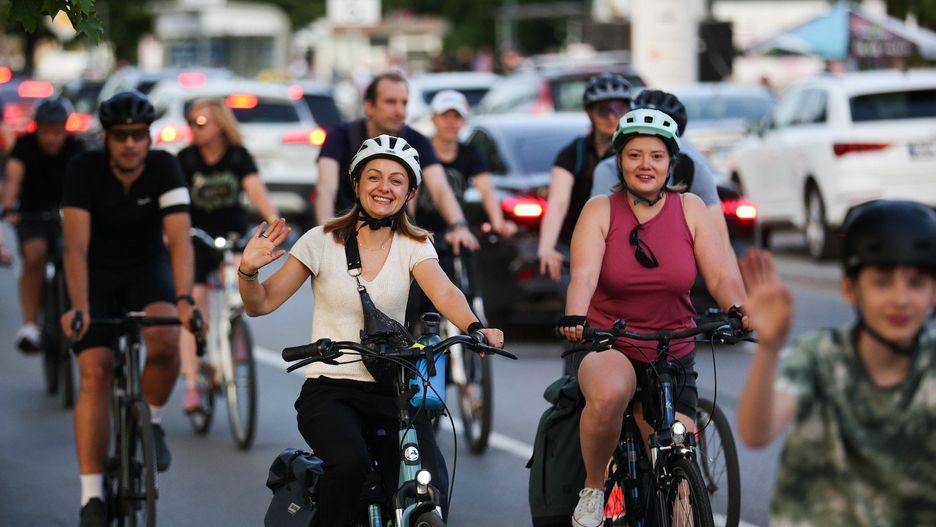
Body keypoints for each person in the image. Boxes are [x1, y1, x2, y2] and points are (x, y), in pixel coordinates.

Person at [239, 135, 505, 526]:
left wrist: (475, 327)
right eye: (374, 177)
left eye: (397, 180)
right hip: (331, 389)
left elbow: (445, 291)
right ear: (357, 183)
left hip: (392, 389)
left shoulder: (415, 244)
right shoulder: (321, 241)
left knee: (430, 481)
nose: (385, 187)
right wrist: (248, 271)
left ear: (410, 192)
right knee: (349, 465)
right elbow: (259, 303)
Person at [556, 108, 748, 527]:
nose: (645, 165)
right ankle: (593, 489)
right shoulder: (600, 210)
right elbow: (584, 274)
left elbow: (720, 275)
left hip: (672, 349)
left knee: (676, 462)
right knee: (610, 394)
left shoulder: (690, 208)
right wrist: (576, 315)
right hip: (611, 342)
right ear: (620, 161)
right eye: (635, 155)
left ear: (670, 163)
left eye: (656, 156)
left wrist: (740, 310)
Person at [737, 201, 936, 526]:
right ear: (850, 289)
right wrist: (769, 349)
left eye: (916, 283)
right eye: (882, 281)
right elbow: (756, 432)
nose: (900, 298)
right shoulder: (821, 356)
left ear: (933, 292)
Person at [59, 91, 202, 527]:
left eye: (138, 134)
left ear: (149, 136)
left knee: (166, 338)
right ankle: (91, 496)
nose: (130, 144)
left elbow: (179, 240)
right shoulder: (83, 168)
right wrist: (79, 307)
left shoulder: (164, 166)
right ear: (107, 137)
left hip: (145, 268)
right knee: (95, 372)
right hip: (94, 274)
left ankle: (152, 420)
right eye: (120, 135)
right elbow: (75, 246)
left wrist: (184, 300)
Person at [176, 98, 278, 413]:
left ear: (220, 124)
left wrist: (273, 221)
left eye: (200, 122)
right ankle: (192, 386)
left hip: (232, 236)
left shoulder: (237, 156)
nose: (193, 128)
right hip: (197, 238)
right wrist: (172, 233)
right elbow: (175, 202)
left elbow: (255, 189)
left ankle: (233, 335)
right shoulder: (186, 158)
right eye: (190, 122)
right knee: (194, 308)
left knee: (239, 284)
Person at [315, 71, 479, 255]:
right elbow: (326, 188)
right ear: (369, 106)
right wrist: (326, 234)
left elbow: (440, 187)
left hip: (396, 241)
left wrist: (459, 226)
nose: (399, 110)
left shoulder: (417, 140)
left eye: (404, 103)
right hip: (346, 236)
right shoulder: (340, 136)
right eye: (390, 102)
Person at [407, 90, 516, 326]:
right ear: (433, 119)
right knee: (417, 293)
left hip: (455, 226)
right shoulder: (421, 150)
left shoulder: (470, 153)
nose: (450, 122)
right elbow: (410, 194)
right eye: (445, 116)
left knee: (467, 272)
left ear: (464, 121)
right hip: (423, 229)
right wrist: (410, 227)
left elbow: (486, 189)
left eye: (456, 117)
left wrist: (498, 222)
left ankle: (470, 320)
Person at [3, 97, 85, 351]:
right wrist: (10, 207)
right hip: (32, 214)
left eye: (57, 132)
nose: (51, 138)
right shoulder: (24, 147)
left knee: (78, 253)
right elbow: (13, 180)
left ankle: (81, 309)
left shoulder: (77, 148)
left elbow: (89, 182)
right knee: (35, 255)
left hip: (69, 213)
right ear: (37, 129)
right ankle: (30, 324)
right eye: (46, 132)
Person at [538, 73, 632, 282]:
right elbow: (558, 203)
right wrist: (547, 247)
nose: (612, 117)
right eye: (603, 110)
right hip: (576, 242)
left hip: (623, 245)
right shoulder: (574, 153)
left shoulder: (636, 151)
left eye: (619, 109)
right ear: (589, 112)